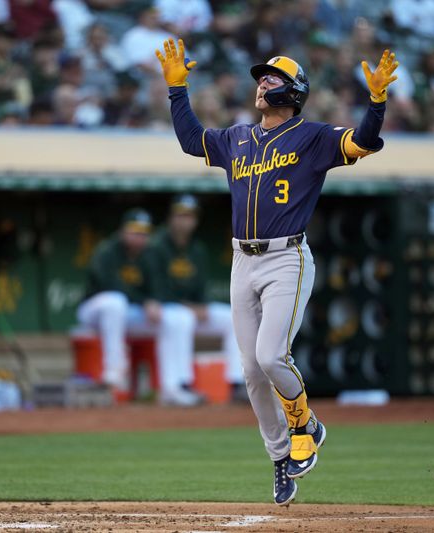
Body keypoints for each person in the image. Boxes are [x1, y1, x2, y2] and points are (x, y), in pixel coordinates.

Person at [156, 37, 397, 505]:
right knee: (249, 369)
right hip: (242, 259)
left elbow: (364, 143)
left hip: (287, 256)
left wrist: (377, 101)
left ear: (294, 90)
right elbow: (192, 142)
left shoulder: (313, 137)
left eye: (271, 78)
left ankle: (306, 423)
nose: (262, 83)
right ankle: (282, 457)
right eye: (261, 78)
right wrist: (177, 91)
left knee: (271, 357)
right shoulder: (238, 137)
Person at [76, 208, 203, 406]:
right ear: (122, 231)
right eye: (134, 232)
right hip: (95, 313)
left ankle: (175, 385)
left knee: (179, 317)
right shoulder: (107, 251)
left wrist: (154, 303)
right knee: (114, 301)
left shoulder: (149, 254)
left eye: (143, 233)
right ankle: (114, 370)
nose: (139, 238)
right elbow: (110, 285)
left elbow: (159, 287)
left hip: (129, 314)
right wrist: (146, 302)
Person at [147, 194, 248, 402]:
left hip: (189, 310)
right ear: (171, 218)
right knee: (182, 318)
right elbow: (156, 288)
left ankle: (238, 382)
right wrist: (189, 307)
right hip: (162, 310)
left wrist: (201, 306)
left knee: (233, 317)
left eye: (190, 216)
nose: (185, 221)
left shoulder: (197, 249)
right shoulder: (156, 246)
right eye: (181, 215)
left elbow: (200, 289)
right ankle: (179, 385)